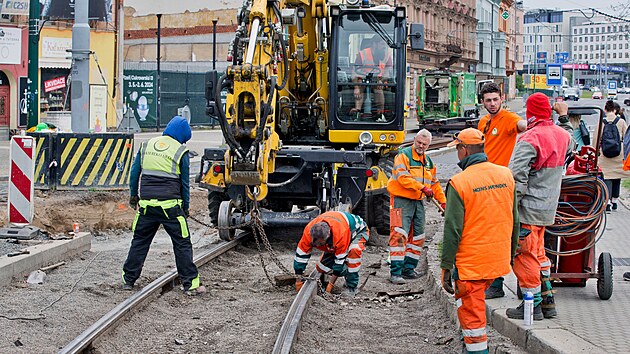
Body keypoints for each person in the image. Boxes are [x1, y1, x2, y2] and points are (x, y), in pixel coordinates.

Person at [441, 128, 519, 354]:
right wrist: (510, 256)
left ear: (464, 150)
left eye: (457, 149)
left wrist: (446, 265)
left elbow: (452, 229)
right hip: (497, 261)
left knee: (472, 321)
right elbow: (515, 220)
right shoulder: (505, 175)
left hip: (471, 265)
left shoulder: (459, 182)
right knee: (474, 317)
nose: (457, 153)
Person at [122, 116, 206, 296]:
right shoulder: (180, 151)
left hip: (146, 206)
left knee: (139, 242)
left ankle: (128, 280)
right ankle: (190, 284)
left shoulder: (147, 145)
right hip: (170, 208)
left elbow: (134, 173)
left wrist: (133, 197)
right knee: (182, 244)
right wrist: (185, 207)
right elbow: (184, 185)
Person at [508, 93, 571, 320]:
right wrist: (563, 117)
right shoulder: (562, 136)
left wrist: (509, 211)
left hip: (527, 212)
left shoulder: (529, 138)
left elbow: (517, 179)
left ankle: (531, 306)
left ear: (530, 111)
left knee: (524, 257)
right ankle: (548, 302)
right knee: (539, 255)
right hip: (547, 211)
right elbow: (571, 139)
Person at [476, 82, 526, 300]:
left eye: (496, 99)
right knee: (485, 234)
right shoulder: (484, 121)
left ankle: (498, 283)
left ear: (502, 98)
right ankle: (492, 281)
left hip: (500, 186)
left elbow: (522, 125)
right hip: (483, 184)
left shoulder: (509, 119)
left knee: (500, 235)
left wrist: (534, 122)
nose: (492, 103)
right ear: (483, 102)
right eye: (488, 100)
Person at [387, 129, 446, 284]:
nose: (421, 146)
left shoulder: (428, 162)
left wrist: (443, 202)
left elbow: (434, 184)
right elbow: (402, 177)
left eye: (424, 144)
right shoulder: (403, 156)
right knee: (399, 235)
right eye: (419, 142)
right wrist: (422, 188)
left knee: (418, 235)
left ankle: (408, 269)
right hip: (402, 200)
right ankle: (395, 272)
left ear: (428, 145)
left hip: (417, 201)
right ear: (415, 140)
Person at [293, 211, 369, 298]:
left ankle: (352, 287)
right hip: (339, 234)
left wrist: (330, 286)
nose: (318, 246)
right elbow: (300, 256)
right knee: (321, 267)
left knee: (354, 251)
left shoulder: (340, 234)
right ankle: (347, 272)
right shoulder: (308, 232)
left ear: (327, 236)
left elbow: (338, 262)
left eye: (320, 244)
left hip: (358, 232)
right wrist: (298, 281)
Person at [596, 100, 628, 211]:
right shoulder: (621, 121)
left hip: (604, 155)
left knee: (607, 177)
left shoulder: (601, 122)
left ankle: (607, 202)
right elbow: (627, 137)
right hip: (618, 154)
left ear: (605, 109)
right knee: (617, 177)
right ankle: (614, 201)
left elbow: (596, 139)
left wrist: (596, 153)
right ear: (615, 110)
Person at [352, 37, 393, 118]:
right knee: (359, 87)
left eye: (385, 45)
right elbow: (354, 71)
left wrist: (382, 80)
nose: (384, 47)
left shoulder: (386, 55)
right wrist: (356, 87)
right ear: (374, 44)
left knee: (379, 89)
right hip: (362, 79)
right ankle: (357, 110)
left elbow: (388, 71)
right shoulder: (362, 54)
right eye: (382, 44)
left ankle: (380, 112)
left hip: (377, 79)